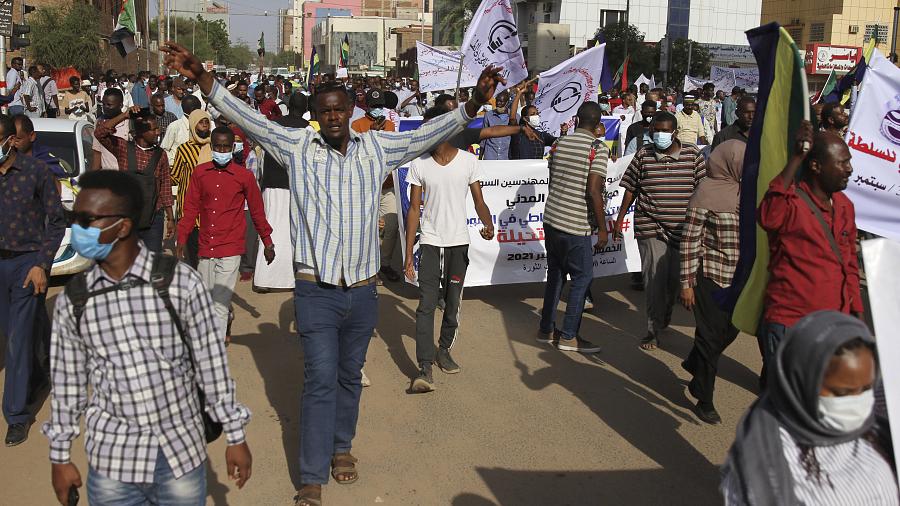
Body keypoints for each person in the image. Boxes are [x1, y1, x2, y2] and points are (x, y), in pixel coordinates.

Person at [162, 40, 505, 506]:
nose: (333, 117)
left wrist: (473, 103)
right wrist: (203, 76)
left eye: (339, 109)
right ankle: (310, 476)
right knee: (320, 378)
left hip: (363, 293)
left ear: (351, 110)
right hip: (315, 291)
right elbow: (249, 119)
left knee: (349, 374)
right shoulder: (297, 146)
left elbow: (427, 134)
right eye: (325, 111)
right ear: (317, 116)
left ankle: (342, 448)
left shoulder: (378, 149)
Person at [43, 170, 253, 506]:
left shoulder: (178, 282)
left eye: (86, 219)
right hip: (113, 465)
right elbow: (67, 384)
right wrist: (60, 456)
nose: (77, 229)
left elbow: (210, 364)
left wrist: (235, 435)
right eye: (74, 219)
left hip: (179, 457)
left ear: (123, 226)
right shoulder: (75, 300)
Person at [720, 311, 897, 505]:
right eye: (842, 393)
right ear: (802, 384)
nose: (859, 403)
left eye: (866, 389)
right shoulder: (764, 464)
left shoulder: (880, 434)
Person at [757, 123, 862, 383]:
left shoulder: (845, 207)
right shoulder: (790, 203)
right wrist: (796, 157)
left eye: (849, 161)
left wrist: (856, 312)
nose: (849, 168)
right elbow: (768, 217)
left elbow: (849, 263)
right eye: (842, 162)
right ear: (815, 166)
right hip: (791, 324)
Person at [403, 107, 495, 393]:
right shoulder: (419, 165)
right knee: (426, 305)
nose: (427, 135)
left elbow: (479, 200)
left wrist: (488, 222)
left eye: (432, 128)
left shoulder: (468, 161)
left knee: (453, 304)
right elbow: (414, 211)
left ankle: (443, 350)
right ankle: (424, 367)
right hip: (430, 243)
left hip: (458, 243)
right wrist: (408, 253)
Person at [615, 111, 707, 351]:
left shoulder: (693, 156)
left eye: (665, 131)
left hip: (682, 230)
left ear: (675, 132)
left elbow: (703, 191)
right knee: (654, 280)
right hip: (650, 225)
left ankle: (663, 316)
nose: (660, 135)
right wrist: (620, 218)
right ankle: (653, 330)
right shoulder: (643, 154)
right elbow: (631, 189)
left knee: (674, 283)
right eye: (656, 130)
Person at [0, 114, 64, 447]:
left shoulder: (36, 173)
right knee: (15, 332)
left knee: (17, 341)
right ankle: (40, 374)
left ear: (10, 140)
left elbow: (56, 222)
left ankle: (16, 415)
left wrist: (42, 264)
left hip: (26, 265)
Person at [177, 126, 275, 342]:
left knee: (218, 303)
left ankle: (214, 350)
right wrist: (181, 239)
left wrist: (267, 242)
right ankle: (227, 317)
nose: (221, 150)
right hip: (206, 244)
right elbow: (190, 208)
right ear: (211, 147)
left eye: (225, 146)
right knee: (208, 298)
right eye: (217, 146)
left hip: (231, 246)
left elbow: (257, 211)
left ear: (233, 148)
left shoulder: (244, 177)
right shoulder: (200, 173)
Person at [678, 139, 745, 424]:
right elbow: (690, 241)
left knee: (731, 331)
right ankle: (704, 398)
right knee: (709, 337)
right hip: (711, 276)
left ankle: (694, 364)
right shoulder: (705, 191)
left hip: (739, 279)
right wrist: (686, 282)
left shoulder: (748, 192)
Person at [537, 102, 608, 353]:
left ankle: (546, 329)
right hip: (575, 224)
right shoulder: (597, 149)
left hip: (552, 219)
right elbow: (593, 191)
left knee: (556, 276)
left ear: (577, 120)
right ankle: (569, 336)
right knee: (582, 278)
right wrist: (602, 228)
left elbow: (553, 178)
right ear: (598, 124)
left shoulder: (558, 144)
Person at [93, 107, 175, 253]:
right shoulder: (123, 148)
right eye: (154, 129)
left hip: (153, 219)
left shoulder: (160, 154)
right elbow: (100, 133)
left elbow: (165, 187)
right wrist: (125, 115)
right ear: (142, 132)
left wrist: (170, 218)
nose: (158, 132)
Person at [255, 92, 310, 291]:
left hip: (271, 182)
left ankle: (264, 279)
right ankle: (287, 280)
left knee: (269, 228)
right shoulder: (308, 130)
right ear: (305, 109)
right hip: (294, 184)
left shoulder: (274, 125)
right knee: (290, 231)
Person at [351, 89, 402, 282]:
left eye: (379, 106)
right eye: (373, 106)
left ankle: (384, 264)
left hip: (387, 185)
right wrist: (371, 135)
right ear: (367, 107)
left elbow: (394, 151)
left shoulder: (389, 125)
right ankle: (367, 268)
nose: (377, 109)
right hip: (366, 188)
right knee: (368, 229)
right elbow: (354, 154)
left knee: (391, 226)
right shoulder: (357, 125)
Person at [170, 110, 213, 268]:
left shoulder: (215, 148)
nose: (204, 125)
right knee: (192, 247)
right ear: (193, 124)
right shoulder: (184, 149)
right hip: (189, 204)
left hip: (209, 205)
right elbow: (175, 176)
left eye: (206, 122)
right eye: (201, 122)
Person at [12, 114, 66, 179]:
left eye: (17, 139)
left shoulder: (47, 163)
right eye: (9, 140)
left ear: (32, 136)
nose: (12, 144)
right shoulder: (6, 161)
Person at [90, 88, 129, 170]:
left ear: (121, 105)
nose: (105, 107)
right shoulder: (99, 122)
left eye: (109, 105)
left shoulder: (129, 123)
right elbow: (97, 152)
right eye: (103, 104)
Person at [161, 94, 202, 163]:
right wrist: (173, 162)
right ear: (193, 109)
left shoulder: (202, 126)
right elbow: (164, 149)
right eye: (199, 108)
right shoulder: (175, 126)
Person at [481, 90, 512, 160]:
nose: (498, 103)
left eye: (501, 101)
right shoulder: (488, 115)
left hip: (505, 157)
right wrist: (480, 158)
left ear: (507, 103)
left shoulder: (514, 117)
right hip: (490, 156)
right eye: (497, 101)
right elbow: (483, 138)